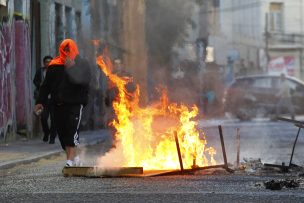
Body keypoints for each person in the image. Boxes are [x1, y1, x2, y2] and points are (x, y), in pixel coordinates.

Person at [35, 39, 91, 167]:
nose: (67, 52)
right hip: (58, 105)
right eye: (64, 50)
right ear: (61, 50)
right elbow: (45, 86)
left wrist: (72, 68)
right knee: (62, 133)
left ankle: (69, 161)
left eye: (69, 49)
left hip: (75, 103)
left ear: (74, 49)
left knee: (72, 130)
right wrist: (40, 102)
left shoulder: (82, 64)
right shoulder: (54, 65)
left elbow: (84, 81)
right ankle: (74, 157)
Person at [33, 55, 57, 144]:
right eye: (46, 61)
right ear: (44, 63)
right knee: (43, 118)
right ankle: (46, 133)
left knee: (54, 119)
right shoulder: (40, 71)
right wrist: (40, 85)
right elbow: (35, 81)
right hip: (44, 100)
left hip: (54, 99)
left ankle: (52, 138)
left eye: (50, 61)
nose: (48, 63)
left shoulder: (55, 71)